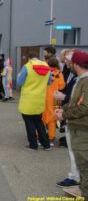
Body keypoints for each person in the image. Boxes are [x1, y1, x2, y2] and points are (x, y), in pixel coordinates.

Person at [54, 50, 88, 198]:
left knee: (84, 163)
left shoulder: (85, 81)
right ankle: (82, 188)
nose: (68, 65)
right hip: (77, 126)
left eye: (70, 62)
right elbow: (77, 102)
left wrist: (65, 113)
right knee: (82, 162)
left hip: (82, 128)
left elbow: (84, 107)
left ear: (76, 64)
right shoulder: (81, 79)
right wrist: (64, 112)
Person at [17, 53, 51, 151]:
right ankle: (46, 144)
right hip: (40, 99)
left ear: (29, 58)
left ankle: (33, 145)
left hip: (28, 99)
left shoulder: (27, 66)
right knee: (39, 122)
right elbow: (49, 82)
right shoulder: (46, 66)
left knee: (29, 123)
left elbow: (19, 83)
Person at [42, 57, 65, 146]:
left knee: (42, 117)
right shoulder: (59, 74)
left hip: (44, 98)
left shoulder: (45, 73)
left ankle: (39, 136)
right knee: (53, 119)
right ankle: (51, 138)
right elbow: (61, 86)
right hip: (56, 98)